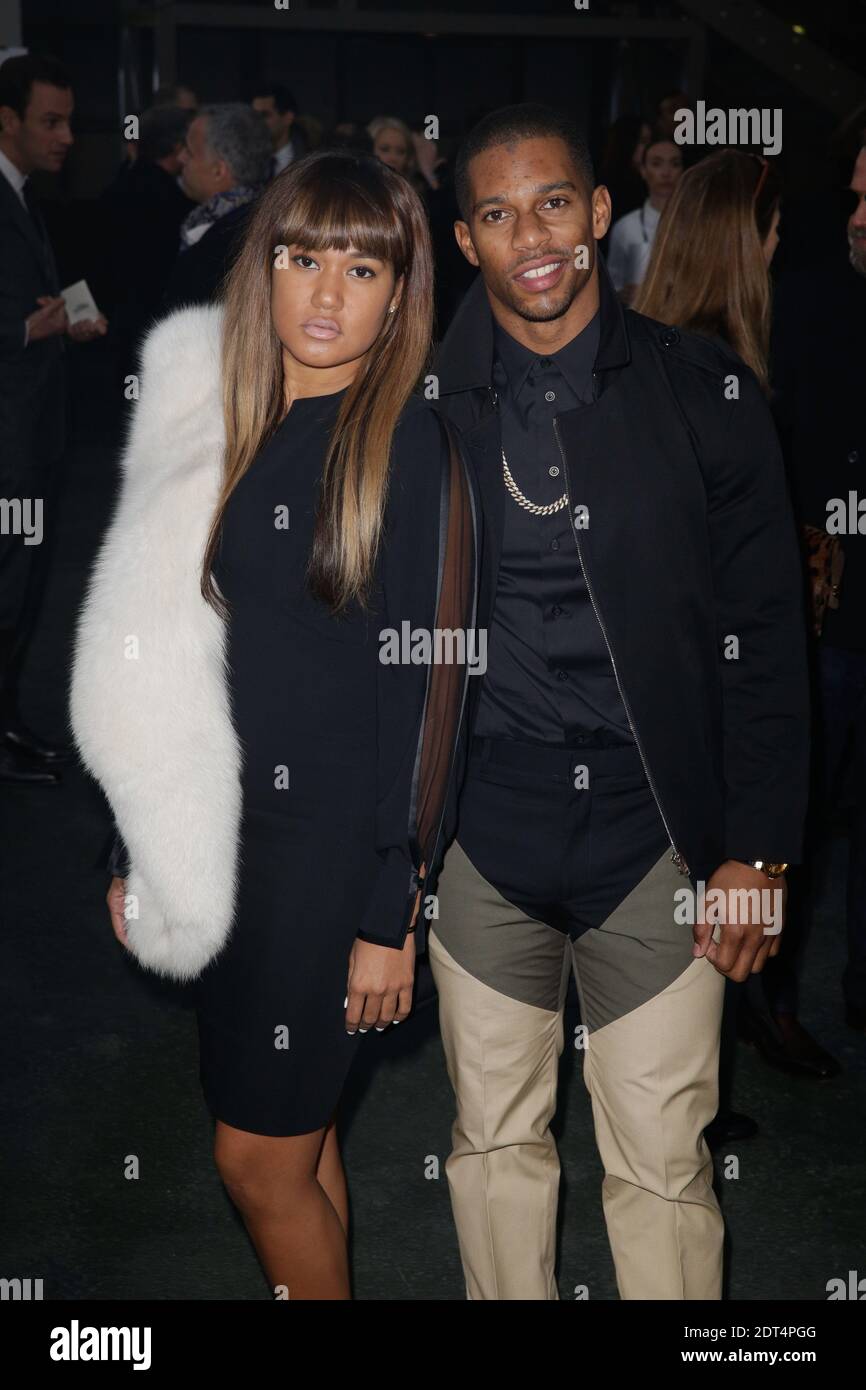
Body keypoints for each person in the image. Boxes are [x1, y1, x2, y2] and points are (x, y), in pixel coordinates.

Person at [68, 149, 478, 1300]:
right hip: (226, 836)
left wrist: (392, 909)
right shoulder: (229, 421)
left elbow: (432, 693)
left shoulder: (409, 444)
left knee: (253, 1159)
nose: (326, 292)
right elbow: (169, 654)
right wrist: (141, 840)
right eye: (303, 257)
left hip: (329, 856)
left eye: (361, 265)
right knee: (302, 1138)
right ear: (266, 265)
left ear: (400, 292)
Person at [427, 102, 810, 1300]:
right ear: (464, 241)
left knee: (658, 1163)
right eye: (495, 213)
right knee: (493, 1148)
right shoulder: (417, 410)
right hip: (482, 834)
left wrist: (755, 850)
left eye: (552, 202)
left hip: (656, 831)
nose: (529, 235)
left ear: (597, 214)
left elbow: (761, 638)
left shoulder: (705, 392)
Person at [634, 149, 837, 1135]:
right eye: (769, 233)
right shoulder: (720, 383)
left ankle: (687, 1081)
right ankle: (685, 1096)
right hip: (699, 711)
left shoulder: (640, 352)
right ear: (740, 244)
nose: (775, 251)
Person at [772, 142, 866, 1040]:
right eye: (856, 194)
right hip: (830, 623)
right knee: (792, 829)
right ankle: (774, 1001)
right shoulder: (811, 301)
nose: (859, 214)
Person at [0, 54, 107, 787]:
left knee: (23, 593)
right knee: (8, 592)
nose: (66, 136)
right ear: (6, 122)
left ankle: (5, 723)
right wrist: (26, 331)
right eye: (50, 121)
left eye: (69, 120)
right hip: (9, 447)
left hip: (34, 439)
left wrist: (67, 318)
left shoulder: (23, 196)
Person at [160, 102, 271, 312]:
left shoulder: (231, 242)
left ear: (219, 171)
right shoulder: (264, 218)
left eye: (190, 152)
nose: (181, 158)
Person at [605, 129, 683, 304]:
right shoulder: (626, 227)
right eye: (656, 164)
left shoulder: (697, 225)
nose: (666, 173)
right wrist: (621, 294)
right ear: (643, 170)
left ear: (683, 171)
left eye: (675, 164)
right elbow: (612, 284)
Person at [251, 81, 305, 178]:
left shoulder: (306, 161)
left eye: (265, 115)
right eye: (254, 116)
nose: (257, 122)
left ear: (288, 117)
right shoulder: (247, 161)